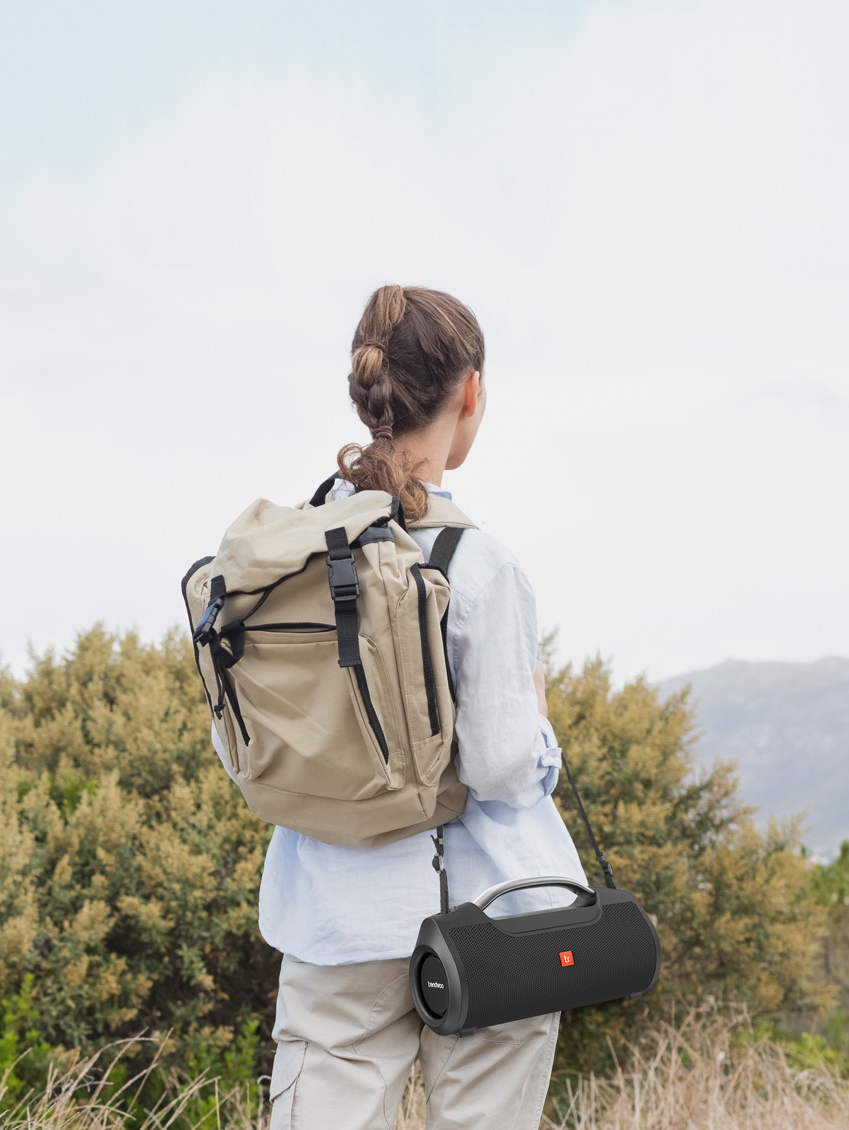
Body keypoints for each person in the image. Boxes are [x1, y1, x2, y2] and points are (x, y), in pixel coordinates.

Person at [242, 284, 588, 1129]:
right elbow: (505, 767)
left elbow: (252, 744)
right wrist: (541, 728)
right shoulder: (480, 565)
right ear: (470, 393)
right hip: (487, 920)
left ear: (368, 394)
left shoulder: (285, 559)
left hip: (330, 911)